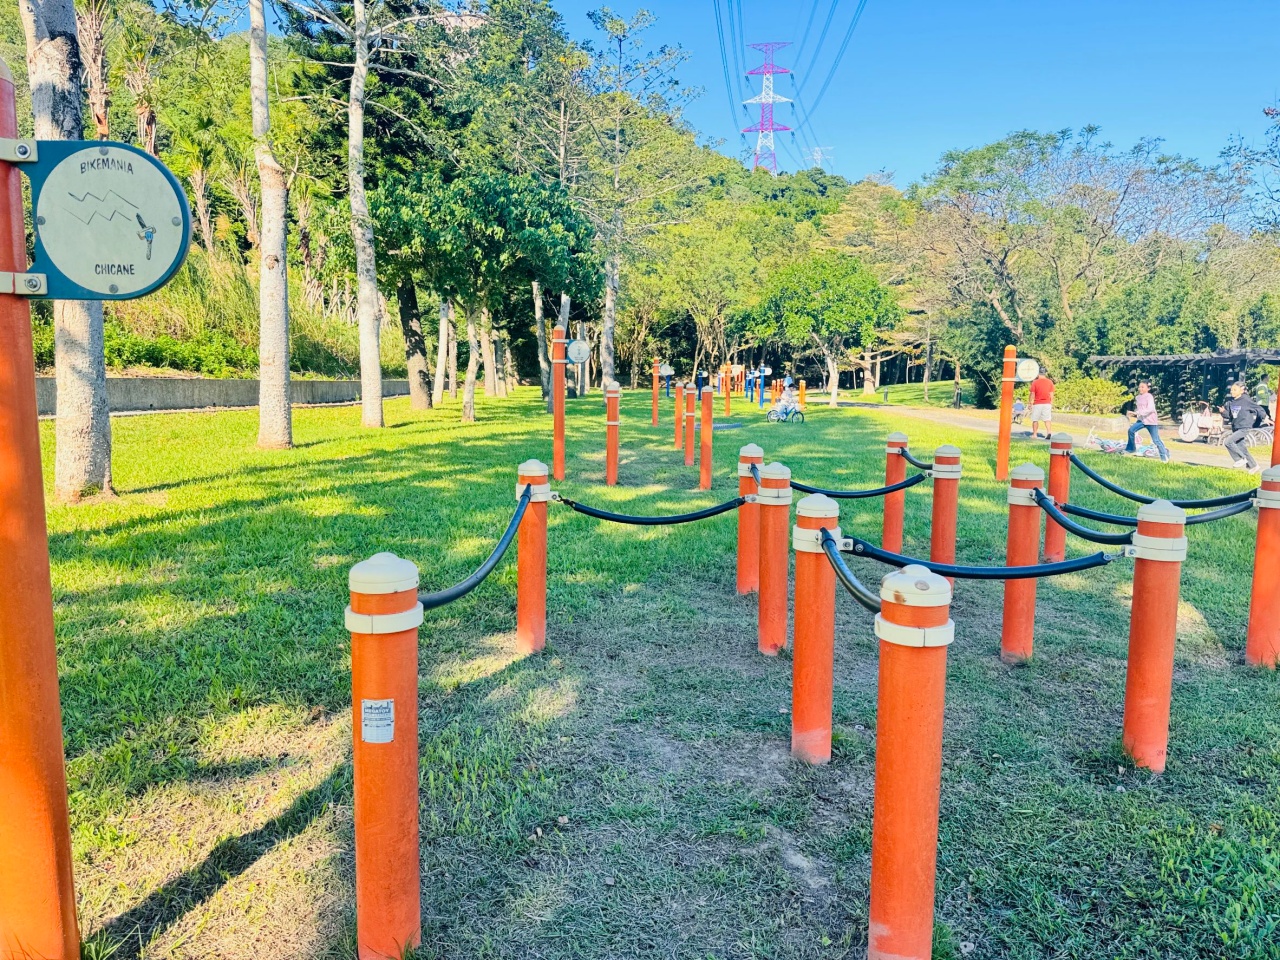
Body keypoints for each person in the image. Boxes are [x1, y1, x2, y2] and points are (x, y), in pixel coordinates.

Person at [1222, 381, 1269, 473]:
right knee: (1241, 447)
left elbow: (1258, 408)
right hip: (1236, 427)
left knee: (1228, 442)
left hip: (1244, 427)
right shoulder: (1231, 402)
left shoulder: (1246, 400)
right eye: (1231, 390)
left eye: (1235, 390)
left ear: (1242, 390)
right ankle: (1253, 466)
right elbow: (1229, 416)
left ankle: (1240, 459)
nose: (1232, 392)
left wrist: (1265, 417)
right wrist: (1223, 412)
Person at [1124, 381, 1169, 462]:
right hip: (1141, 420)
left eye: (1142, 387)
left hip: (1150, 421)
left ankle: (1164, 455)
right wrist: (1134, 413)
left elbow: (1150, 409)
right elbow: (1139, 409)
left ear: (1148, 388)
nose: (1140, 388)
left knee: (1156, 440)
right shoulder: (1138, 397)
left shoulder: (1149, 397)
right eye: (1139, 387)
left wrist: (1137, 413)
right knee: (1131, 430)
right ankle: (1131, 448)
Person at [1029, 373, 1054, 439]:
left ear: (1038, 374)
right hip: (1047, 403)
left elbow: (1032, 393)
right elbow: (1051, 393)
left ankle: (1035, 434)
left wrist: (1030, 403)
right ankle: (1049, 432)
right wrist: (1051, 402)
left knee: (1035, 419)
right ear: (1045, 373)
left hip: (1037, 403)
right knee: (1047, 419)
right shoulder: (1050, 382)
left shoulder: (1035, 382)